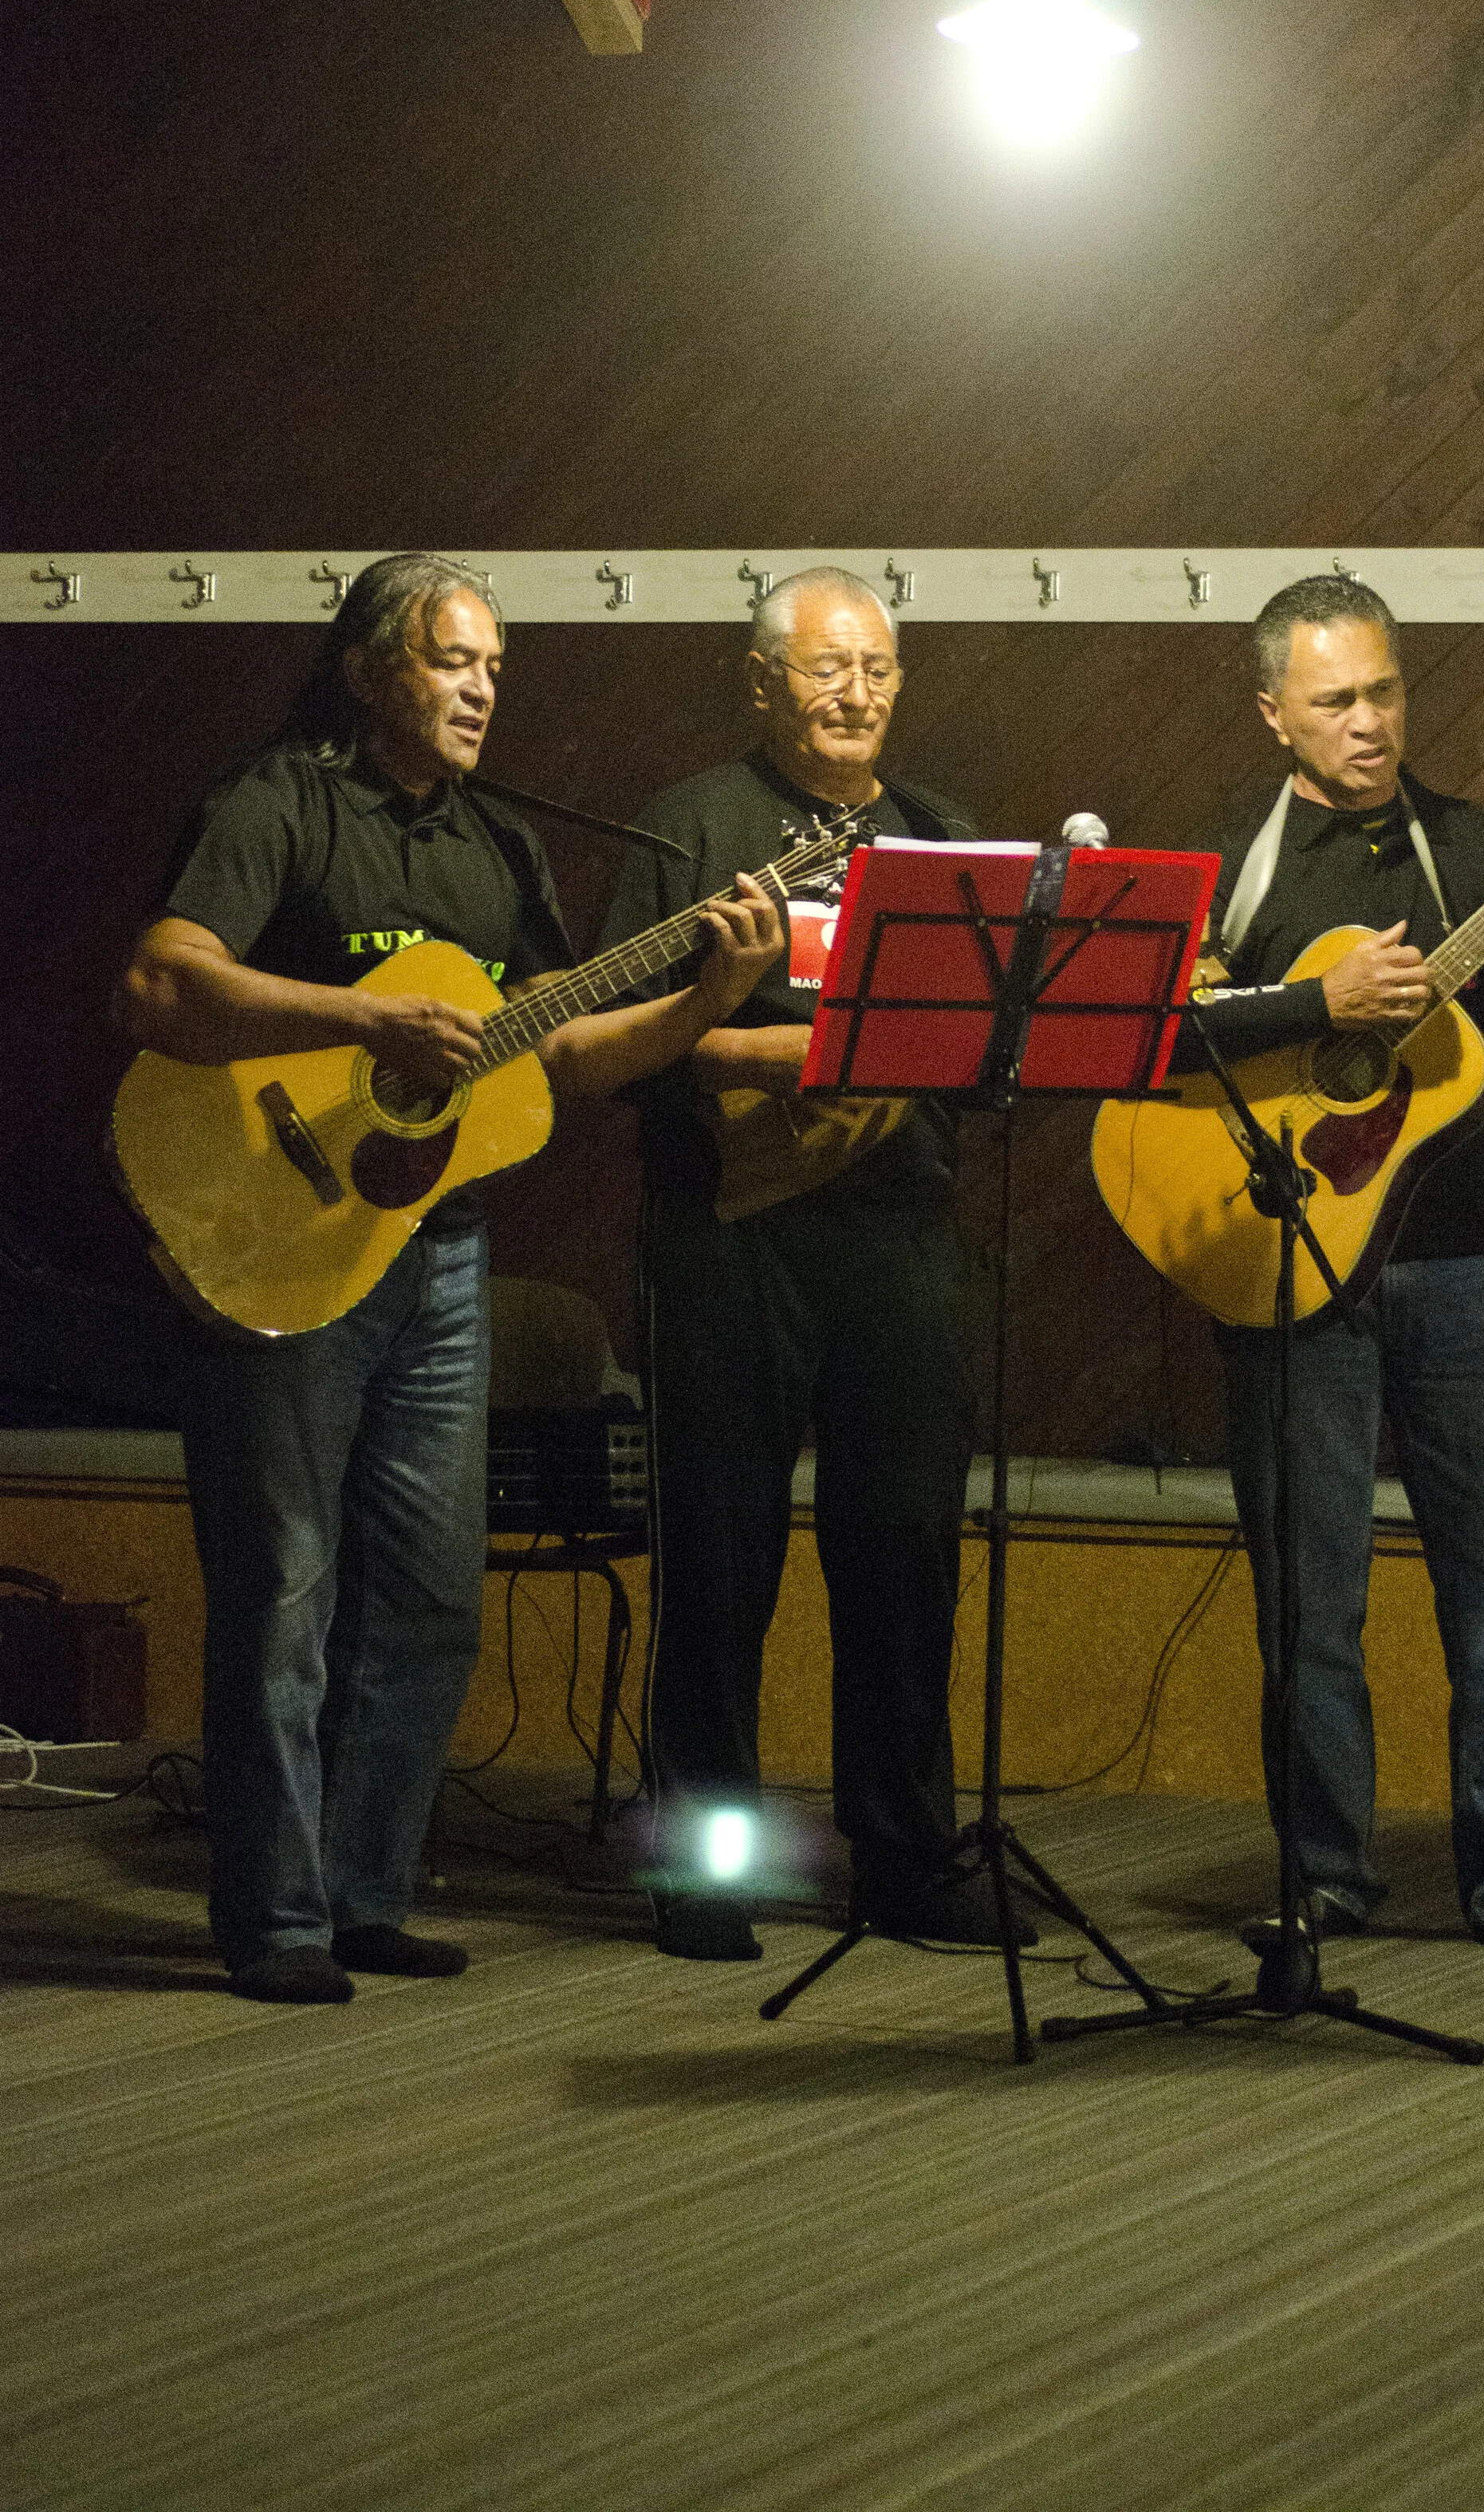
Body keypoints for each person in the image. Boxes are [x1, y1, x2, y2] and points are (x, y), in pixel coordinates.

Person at [116, 553, 781, 2003]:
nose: (483, 687)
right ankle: (276, 1918)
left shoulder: (500, 852)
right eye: (453, 660)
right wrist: (365, 1015)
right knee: (285, 1592)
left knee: (428, 1601)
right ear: (370, 669)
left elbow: (559, 1056)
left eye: (494, 667)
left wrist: (710, 997)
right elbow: (162, 987)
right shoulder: (278, 803)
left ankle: (362, 1893)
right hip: (277, 1236)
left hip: (443, 1252)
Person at [1189, 575, 1484, 1953]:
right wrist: (1315, 1005)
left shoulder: (1482, 848)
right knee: (1310, 1600)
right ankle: (1326, 1876)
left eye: (1385, 691)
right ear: (1274, 710)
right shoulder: (1233, 862)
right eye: (1335, 699)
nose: (1369, 721)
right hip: (1289, 1260)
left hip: (1465, 1269)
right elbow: (1161, 1043)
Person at [598, 565, 1010, 1962]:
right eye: (830, 670)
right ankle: (709, 1872)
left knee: (904, 1558)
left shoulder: (941, 836)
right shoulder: (690, 827)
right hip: (729, 1241)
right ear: (763, 682)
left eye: (880, 670)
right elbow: (623, 1038)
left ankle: (905, 1861)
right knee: (721, 1563)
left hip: (901, 1236)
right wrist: (818, 1049)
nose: (859, 695)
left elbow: (991, 1034)